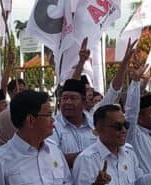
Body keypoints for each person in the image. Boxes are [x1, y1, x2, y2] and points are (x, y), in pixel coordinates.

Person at [0, 91, 85, 185]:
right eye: (48, 115)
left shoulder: (54, 151)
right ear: (31, 120)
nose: (53, 120)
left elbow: (66, 184)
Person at [51, 38, 136, 167]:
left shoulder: (94, 119)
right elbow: (55, 161)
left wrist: (124, 62)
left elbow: (114, 91)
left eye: (73, 98)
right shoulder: (54, 127)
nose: (67, 102)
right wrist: (93, 154)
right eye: (64, 98)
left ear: (84, 102)